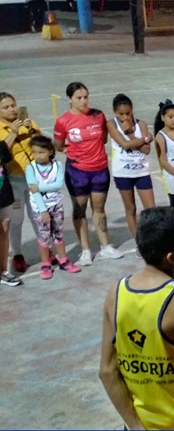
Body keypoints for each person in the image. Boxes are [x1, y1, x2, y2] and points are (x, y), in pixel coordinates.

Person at [99, 206, 174, 431]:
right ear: (171, 257)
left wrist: (135, 427)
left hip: (142, 424)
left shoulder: (115, 294)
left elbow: (107, 371)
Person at [53, 82, 122, 265]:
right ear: (70, 99)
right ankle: (85, 250)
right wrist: (76, 153)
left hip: (99, 169)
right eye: (79, 98)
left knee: (99, 209)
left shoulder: (98, 116)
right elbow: (58, 145)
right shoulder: (63, 121)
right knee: (80, 210)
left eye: (86, 97)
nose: (83, 101)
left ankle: (105, 246)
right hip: (77, 172)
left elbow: (103, 138)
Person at [25, 135, 82, 279]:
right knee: (44, 237)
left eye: (41, 152)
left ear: (50, 152)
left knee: (58, 233)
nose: (37, 156)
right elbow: (34, 192)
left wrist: (39, 187)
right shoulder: (31, 168)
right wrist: (43, 210)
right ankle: (46, 264)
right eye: (34, 152)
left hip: (56, 205)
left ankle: (63, 260)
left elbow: (58, 184)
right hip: (40, 209)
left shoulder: (57, 165)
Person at [0, 92, 43, 274]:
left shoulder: (28, 123)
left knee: (38, 215)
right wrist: (14, 132)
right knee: (16, 219)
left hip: (33, 178)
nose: (12, 110)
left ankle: (45, 248)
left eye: (13, 105)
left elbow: (42, 145)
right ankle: (17, 254)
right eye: (6, 107)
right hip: (14, 180)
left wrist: (32, 131)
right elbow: (2, 151)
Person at [106, 94, 155, 240]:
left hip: (141, 171)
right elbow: (125, 145)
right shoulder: (112, 124)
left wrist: (131, 134)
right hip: (123, 172)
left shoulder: (141, 124)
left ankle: (153, 238)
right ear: (115, 112)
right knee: (130, 208)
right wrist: (144, 139)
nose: (125, 117)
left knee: (151, 209)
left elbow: (146, 149)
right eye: (121, 114)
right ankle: (138, 240)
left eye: (128, 113)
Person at [0, 141, 21, 286]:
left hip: (3, 195)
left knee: (4, 231)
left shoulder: (1, 146)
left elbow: (7, 167)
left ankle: (3, 271)